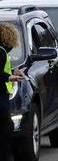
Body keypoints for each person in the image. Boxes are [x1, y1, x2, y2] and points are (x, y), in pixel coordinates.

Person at [0, 23, 24, 161]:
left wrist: (12, 72)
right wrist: (9, 77)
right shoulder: (1, 52)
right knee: (6, 132)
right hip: (1, 101)